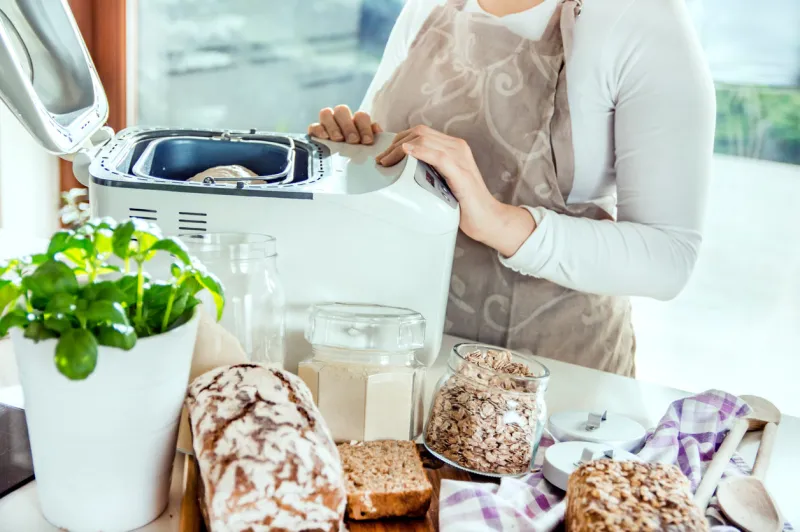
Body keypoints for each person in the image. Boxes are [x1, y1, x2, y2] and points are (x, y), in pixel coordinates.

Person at [308, 0, 715, 376]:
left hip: (551, 384)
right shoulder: (429, 7)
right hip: (400, 364)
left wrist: (496, 221)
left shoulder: (641, 20)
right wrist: (349, 153)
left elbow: (669, 259)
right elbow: (390, 175)